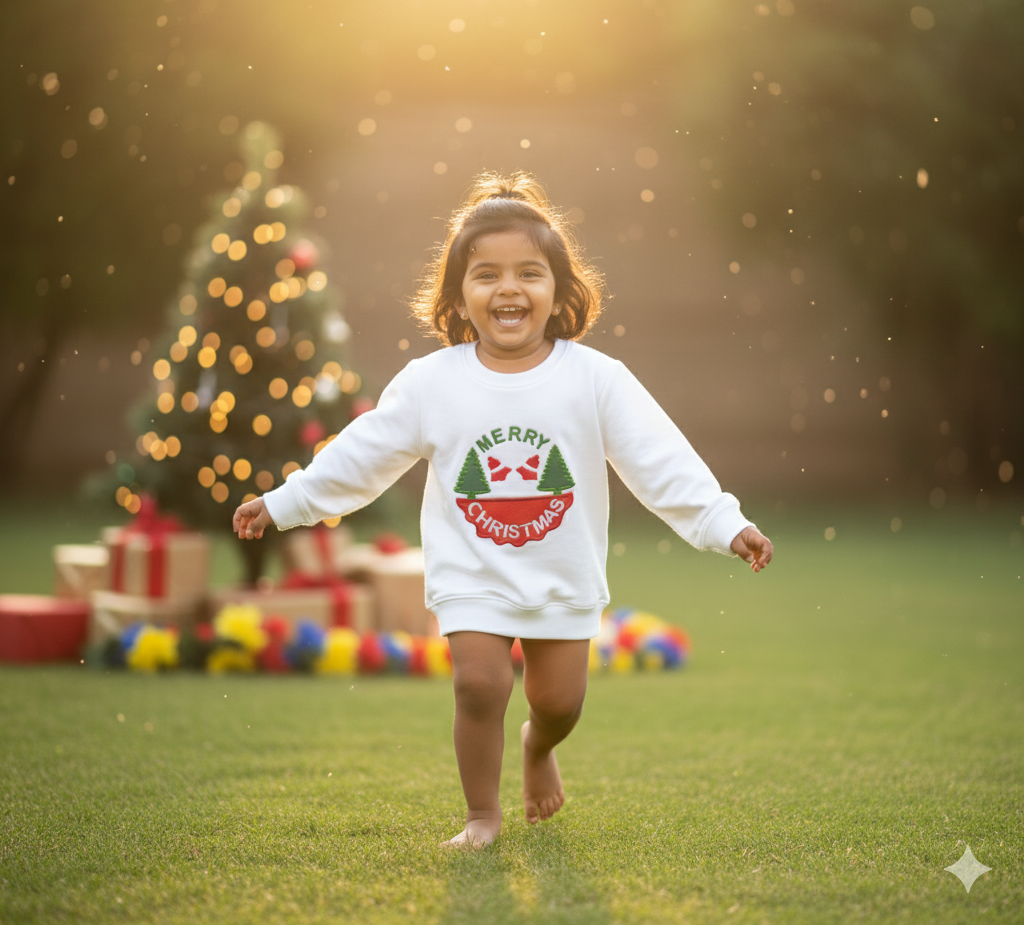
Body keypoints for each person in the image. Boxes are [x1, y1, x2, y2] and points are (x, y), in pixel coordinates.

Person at [233, 172, 773, 848]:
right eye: (486, 275)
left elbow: (659, 460)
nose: (509, 288)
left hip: (561, 570)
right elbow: (362, 454)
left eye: (529, 273)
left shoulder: (596, 379)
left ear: (559, 291)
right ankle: (481, 815)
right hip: (471, 568)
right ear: (459, 296)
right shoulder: (433, 383)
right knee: (480, 686)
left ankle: (537, 747)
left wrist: (726, 523)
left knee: (558, 704)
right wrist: (285, 502)